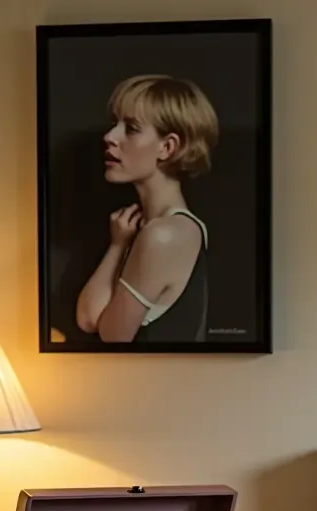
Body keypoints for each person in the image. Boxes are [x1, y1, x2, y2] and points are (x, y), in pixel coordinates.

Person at [76, 73, 219, 343]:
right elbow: (87, 319)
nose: (109, 136)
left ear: (167, 147)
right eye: (114, 124)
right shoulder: (147, 229)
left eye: (131, 128)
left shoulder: (166, 235)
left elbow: (113, 336)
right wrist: (118, 245)